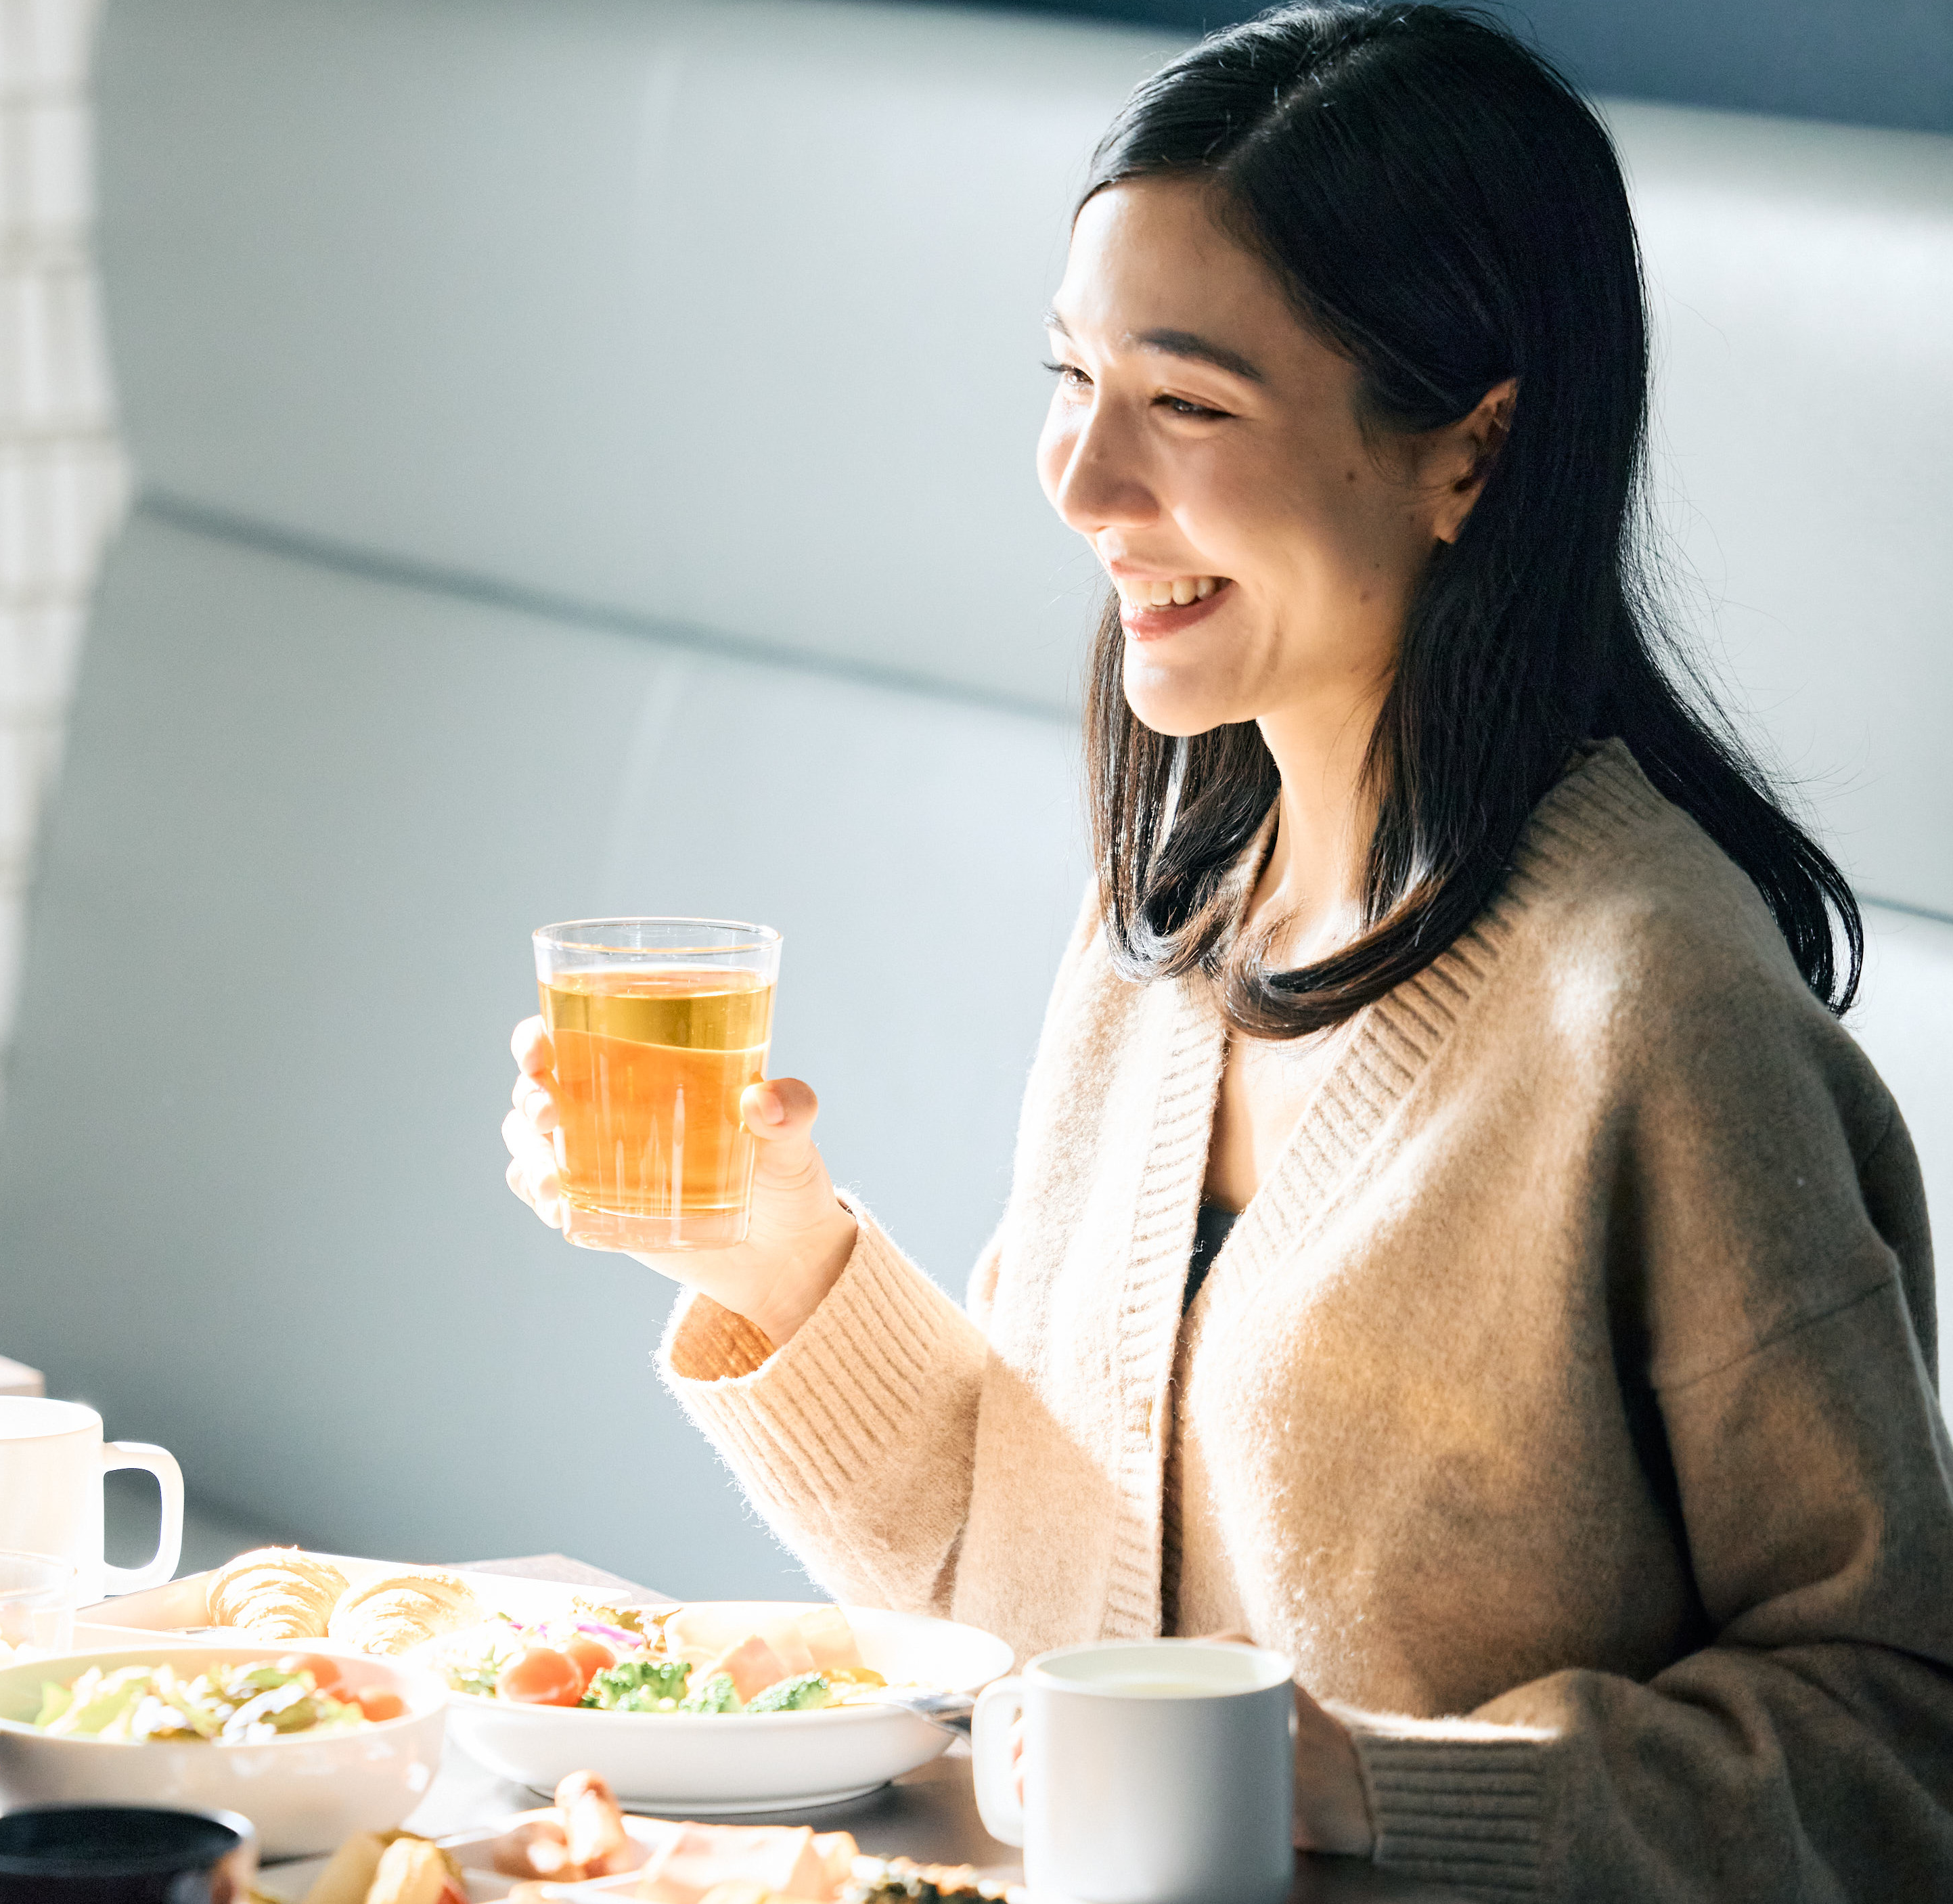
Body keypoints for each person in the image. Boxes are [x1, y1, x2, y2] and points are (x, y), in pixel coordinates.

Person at [501, 6, 1953, 1898]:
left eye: (1184, 406)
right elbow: (1037, 1603)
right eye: (1071, 375)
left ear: (1470, 451)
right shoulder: (1170, 932)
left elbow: (1894, 1744)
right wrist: (770, 1260)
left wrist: (1377, 1784)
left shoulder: (1657, 1015)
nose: (1083, 480)